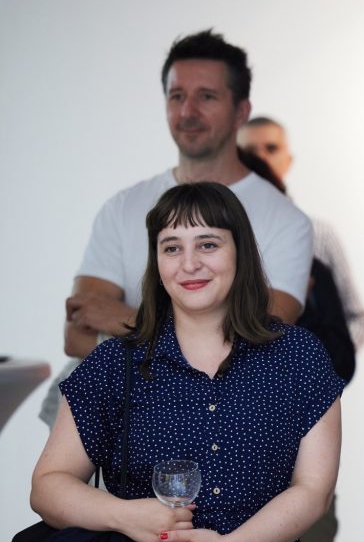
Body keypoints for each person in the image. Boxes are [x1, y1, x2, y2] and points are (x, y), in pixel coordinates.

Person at [31, 182, 344, 542]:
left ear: (240, 251)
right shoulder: (115, 364)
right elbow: (48, 486)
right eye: (172, 247)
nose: (190, 263)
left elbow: (313, 491)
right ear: (156, 262)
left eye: (208, 244)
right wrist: (126, 515)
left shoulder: (297, 357)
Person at [44, 29, 313, 427]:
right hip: (115, 425)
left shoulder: (285, 221)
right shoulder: (123, 207)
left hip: (222, 429)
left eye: (207, 97)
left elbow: (257, 344)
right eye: (176, 96)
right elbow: (77, 336)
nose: (188, 111)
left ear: (241, 110)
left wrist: (125, 320)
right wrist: (200, 332)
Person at [235, 144, 355, 542]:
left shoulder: (312, 262)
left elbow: (341, 357)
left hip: (293, 465)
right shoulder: (192, 284)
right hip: (219, 480)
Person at [239, 116, 364, 348]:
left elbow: (355, 317)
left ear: (288, 160)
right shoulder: (216, 237)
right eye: (250, 151)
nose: (261, 157)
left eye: (271, 148)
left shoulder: (319, 233)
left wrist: (322, 365)